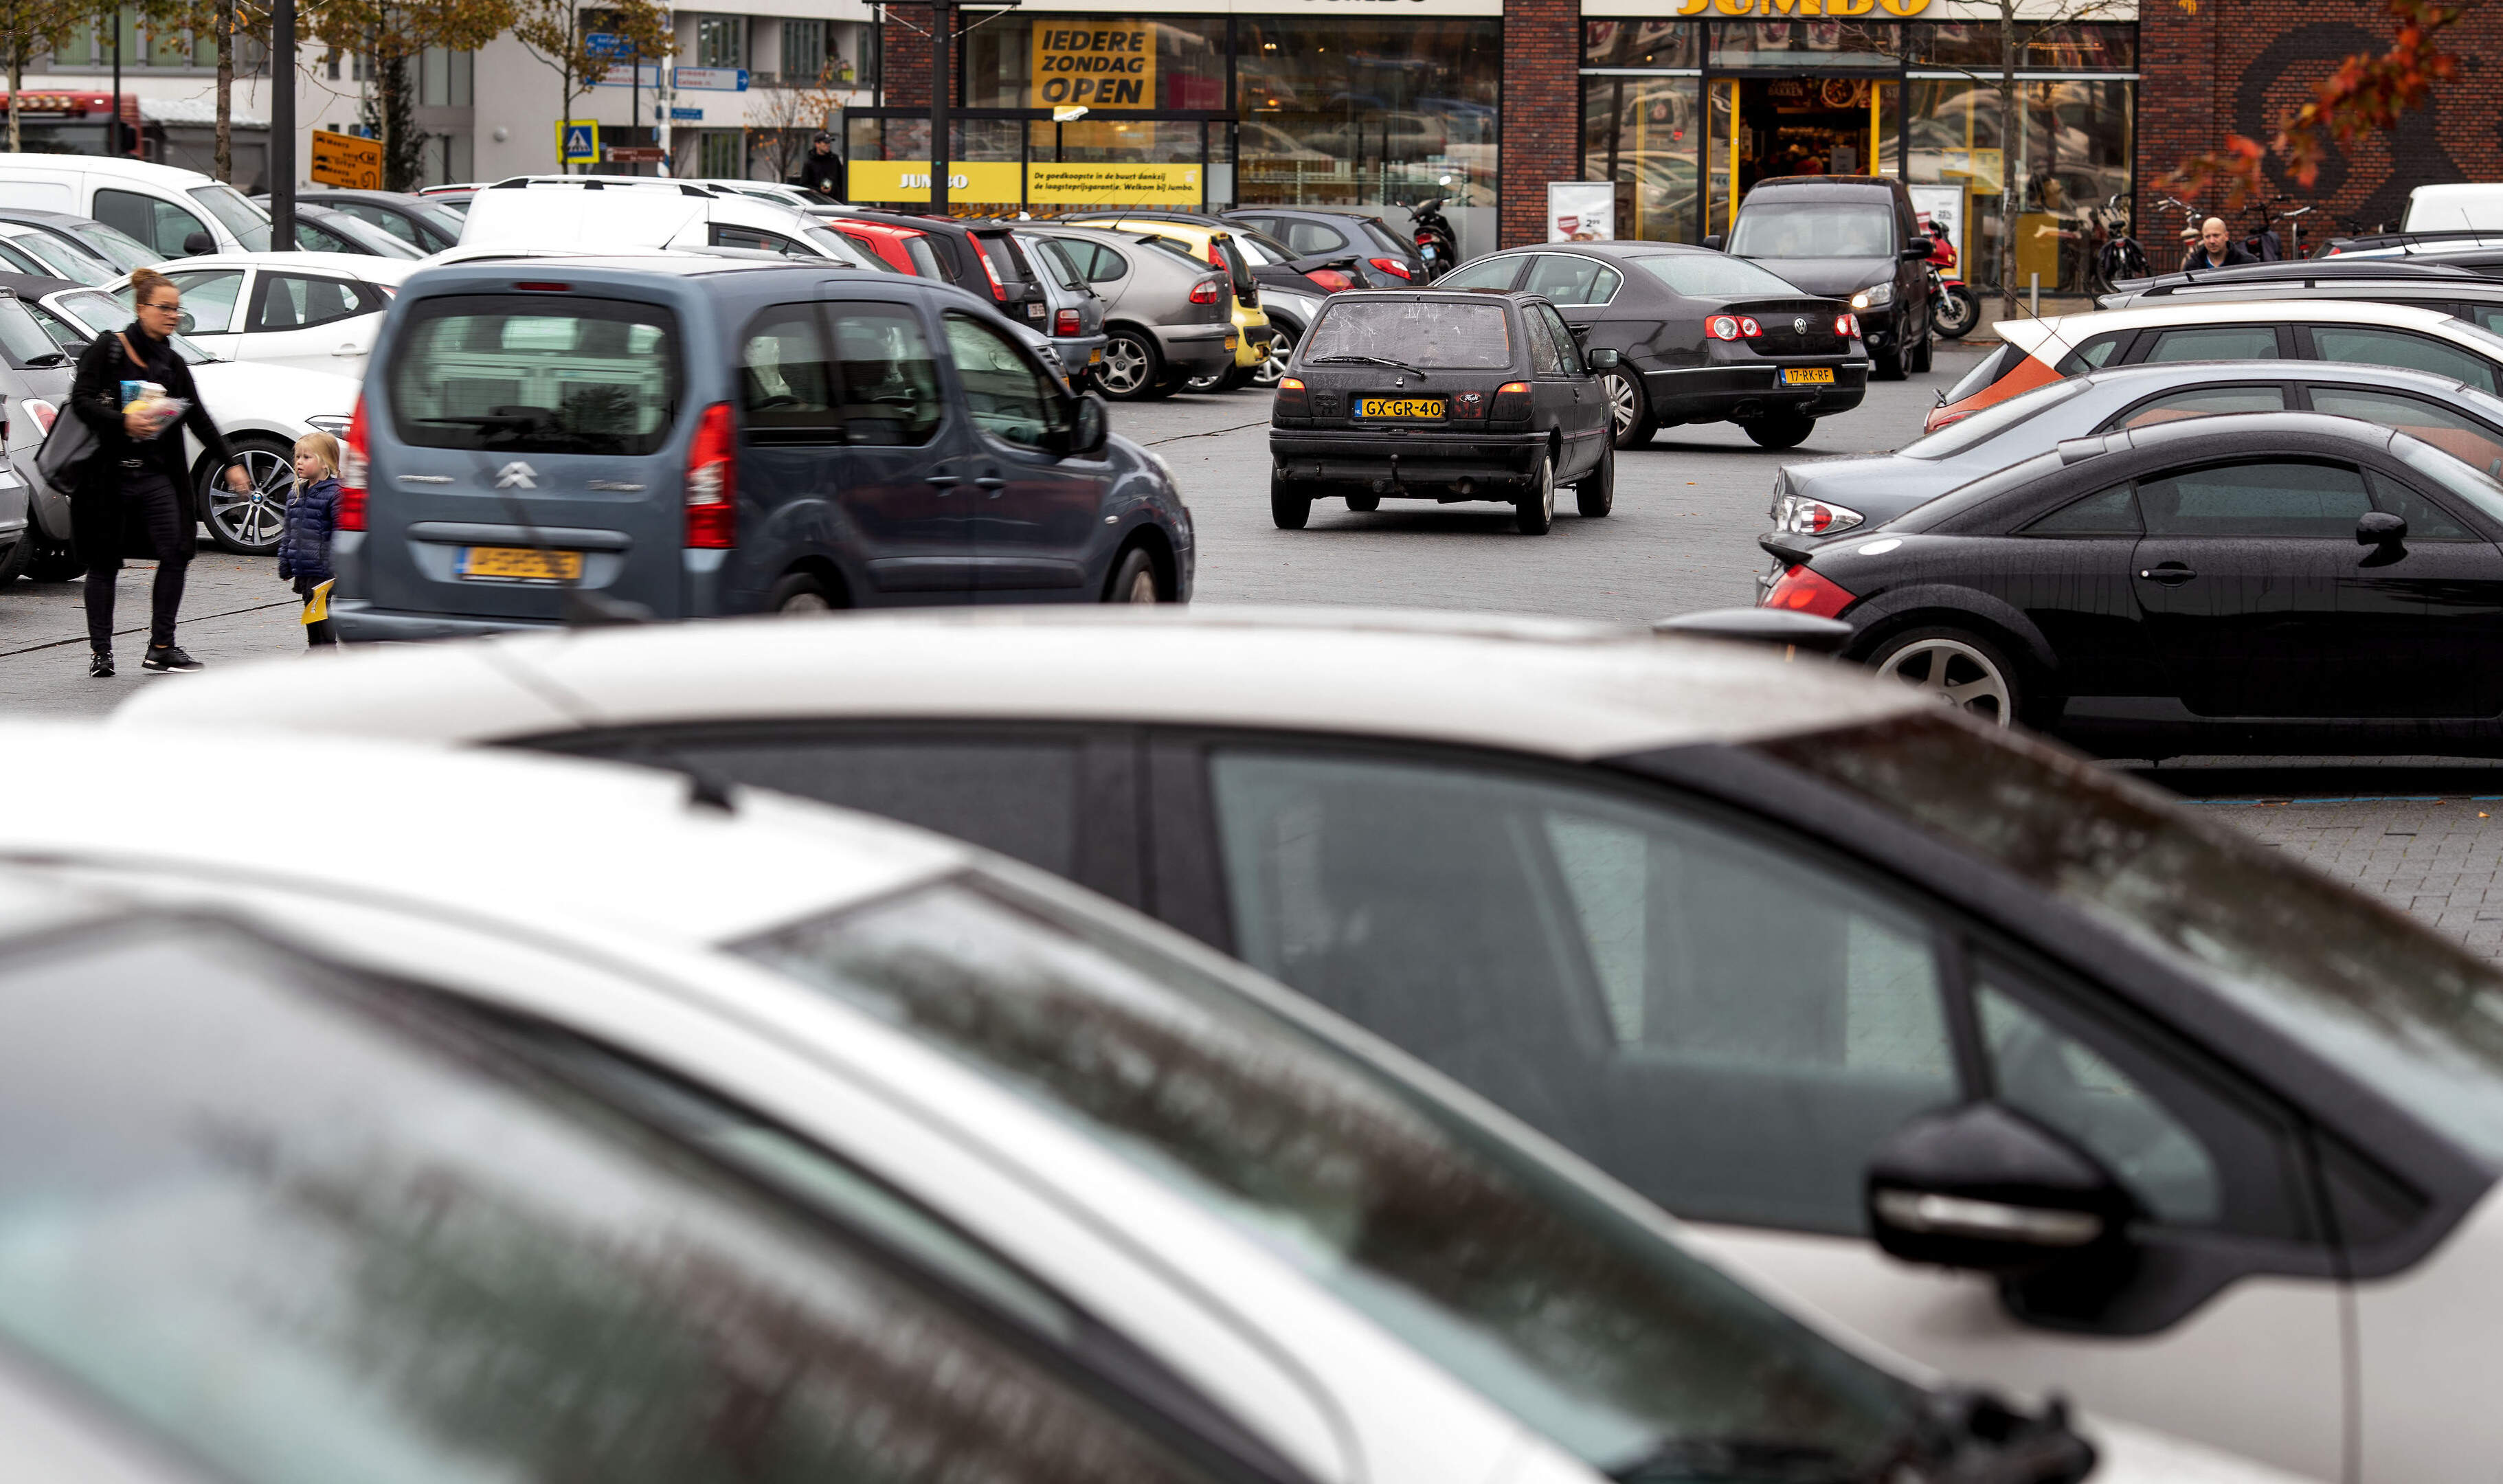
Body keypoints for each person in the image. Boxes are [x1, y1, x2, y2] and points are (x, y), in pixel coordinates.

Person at [69, 267, 249, 677]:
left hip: (154, 476)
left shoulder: (172, 361)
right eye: (164, 308)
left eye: (176, 309)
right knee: (104, 562)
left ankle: (161, 646)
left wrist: (231, 463)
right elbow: (80, 401)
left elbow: (198, 417)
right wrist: (123, 422)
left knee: (178, 550)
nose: (172, 316)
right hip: (107, 476)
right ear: (141, 308)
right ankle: (101, 651)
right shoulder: (107, 349)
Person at [278, 431, 341, 649]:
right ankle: (316, 648)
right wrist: (285, 562)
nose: (299, 462)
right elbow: (289, 532)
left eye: (307, 457)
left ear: (326, 463)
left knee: (320, 610)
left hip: (324, 568)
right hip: (304, 566)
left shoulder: (335, 493)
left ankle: (326, 649)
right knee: (311, 609)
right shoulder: (296, 493)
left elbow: (340, 532)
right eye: (298, 457)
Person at [2181, 215, 2256, 272]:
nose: (2212, 241)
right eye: (2207, 237)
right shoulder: (2192, 266)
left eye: (2216, 236)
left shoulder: (2247, 263)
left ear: (2226, 236)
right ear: (2203, 238)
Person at [789, 132, 844, 197]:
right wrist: (820, 190)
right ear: (817, 144)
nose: (828, 145)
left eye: (829, 143)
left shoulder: (835, 159)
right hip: (818, 203)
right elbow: (804, 186)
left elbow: (842, 180)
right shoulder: (809, 163)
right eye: (826, 143)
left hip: (836, 202)